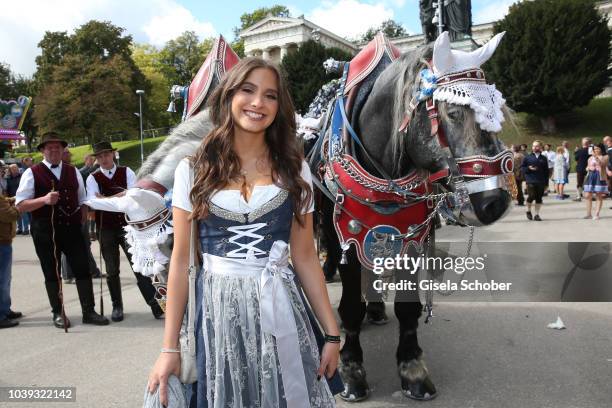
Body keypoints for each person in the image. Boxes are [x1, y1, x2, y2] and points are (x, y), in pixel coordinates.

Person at [147, 58, 340, 407]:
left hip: (281, 308)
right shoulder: (194, 169)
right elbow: (181, 262)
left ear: (279, 107)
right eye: (247, 90)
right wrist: (169, 347)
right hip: (217, 313)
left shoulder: (295, 170)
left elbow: (306, 257)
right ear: (228, 96)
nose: (257, 103)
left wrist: (332, 333)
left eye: (270, 96)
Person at [15, 132, 109, 328]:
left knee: (83, 269)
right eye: (50, 147)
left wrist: (83, 214)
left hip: (72, 228)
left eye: (58, 147)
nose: (55, 151)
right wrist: (43, 200)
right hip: (45, 230)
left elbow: (82, 197)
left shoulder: (72, 170)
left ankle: (88, 311)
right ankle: (58, 313)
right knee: (52, 272)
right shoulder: (31, 173)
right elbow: (21, 205)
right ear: (42, 151)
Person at [86, 141, 163, 321]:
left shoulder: (126, 171)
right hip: (105, 229)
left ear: (113, 154)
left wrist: (106, 199)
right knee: (112, 270)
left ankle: (156, 305)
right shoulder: (92, 178)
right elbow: (92, 202)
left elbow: (132, 196)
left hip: (128, 226)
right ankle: (117, 306)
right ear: (96, 159)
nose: (104, 159)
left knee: (140, 268)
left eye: (106, 154)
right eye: (100, 156)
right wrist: (118, 196)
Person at [0, 191, 23, 328]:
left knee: (5, 280)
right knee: (2, 280)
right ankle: (1, 315)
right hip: (1, 243)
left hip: (4, 242)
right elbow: (9, 215)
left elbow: (4, 202)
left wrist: (12, 200)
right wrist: (19, 208)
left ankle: (4, 309)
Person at [521, 140, 548, 221]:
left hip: (541, 181)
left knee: (539, 198)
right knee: (531, 196)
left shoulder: (543, 158)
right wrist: (528, 168)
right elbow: (522, 168)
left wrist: (546, 184)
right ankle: (528, 211)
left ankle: (537, 214)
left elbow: (546, 171)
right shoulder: (527, 157)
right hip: (530, 180)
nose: (534, 147)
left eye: (536, 146)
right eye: (533, 146)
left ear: (540, 147)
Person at [583, 145, 609, 220]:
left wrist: (596, 157)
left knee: (598, 195)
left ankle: (597, 214)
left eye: (597, 148)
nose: (596, 150)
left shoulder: (605, 157)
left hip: (599, 176)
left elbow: (602, 164)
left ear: (601, 149)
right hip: (591, 176)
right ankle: (588, 214)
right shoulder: (590, 158)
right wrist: (588, 168)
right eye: (595, 149)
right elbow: (587, 167)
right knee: (587, 195)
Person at [6, 164, 30, 234]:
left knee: (23, 214)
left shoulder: (22, 176)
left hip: (22, 198)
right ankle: (19, 229)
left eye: (16, 168)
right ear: (10, 170)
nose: (15, 169)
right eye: (13, 168)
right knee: (16, 215)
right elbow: (7, 189)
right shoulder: (8, 178)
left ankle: (26, 229)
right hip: (12, 198)